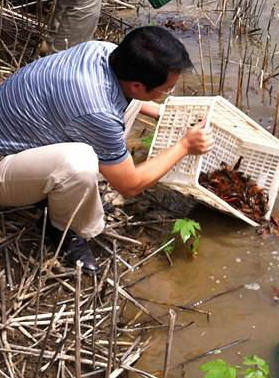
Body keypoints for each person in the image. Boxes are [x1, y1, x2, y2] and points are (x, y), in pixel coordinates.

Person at [0, 26, 214, 274]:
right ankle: (61, 229)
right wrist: (185, 146)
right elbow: (130, 186)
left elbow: (120, 101)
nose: (168, 94)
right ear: (137, 85)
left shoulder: (105, 51)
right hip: (4, 163)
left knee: (119, 115)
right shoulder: (97, 111)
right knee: (78, 164)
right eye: (166, 91)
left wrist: (161, 113)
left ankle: (60, 193)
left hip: (29, 132)